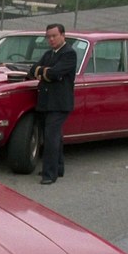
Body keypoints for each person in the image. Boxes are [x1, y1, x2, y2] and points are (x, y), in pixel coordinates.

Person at [29, 23, 77, 184]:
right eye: (48, 37)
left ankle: (49, 174)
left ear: (63, 35)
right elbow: (33, 70)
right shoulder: (49, 54)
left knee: (51, 138)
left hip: (60, 103)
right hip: (46, 102)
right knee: (55, 137)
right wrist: (46, 72)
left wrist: (45, 73)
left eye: (54, 36)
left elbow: (55, 73)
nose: (51, 39)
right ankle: (58, 168)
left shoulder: (69, 53)